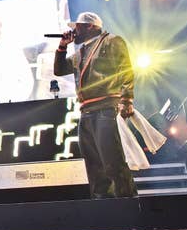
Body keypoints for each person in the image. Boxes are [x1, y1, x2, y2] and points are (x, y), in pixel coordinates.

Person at [54, 11, 137, 198]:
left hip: (106, 108)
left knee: (113, 161)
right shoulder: (80, 52)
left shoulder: (112, 41)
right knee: (93, 165)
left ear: (90, 26)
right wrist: (61, 47)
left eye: (77, 27)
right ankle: (104, 208)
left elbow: (126, 70)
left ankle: (128, 204)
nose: (74, 31)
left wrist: (127, 99)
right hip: (86, 111)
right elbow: (59, 70)